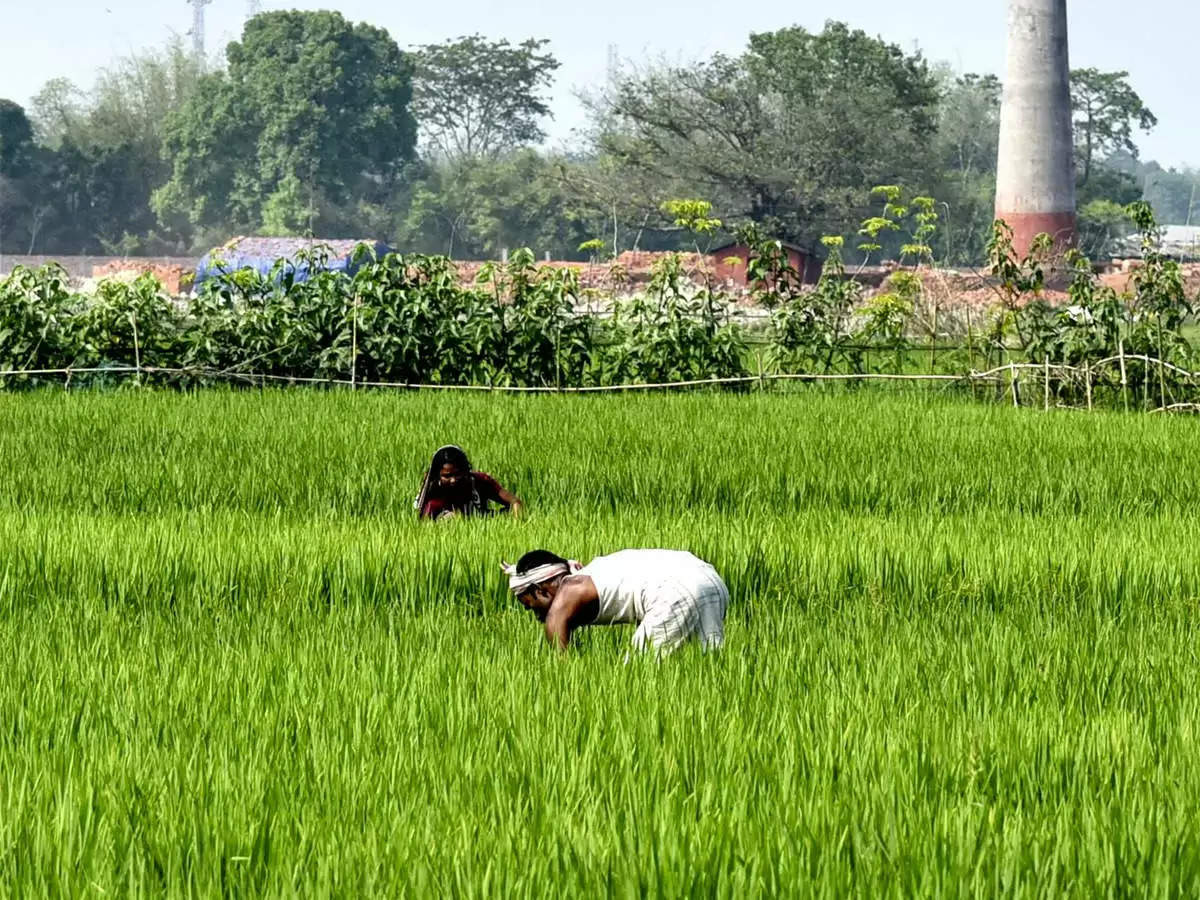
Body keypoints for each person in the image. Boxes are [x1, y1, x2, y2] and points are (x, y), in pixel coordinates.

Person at [503, 548, 728, 655]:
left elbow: (554, 622)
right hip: (710, 579)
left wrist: (565, 685)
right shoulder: (597, 573)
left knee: (637, 677)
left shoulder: (571, 588)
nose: (535, 615)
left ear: (540, 588)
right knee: (706, 663)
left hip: (674, 590)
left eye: (528, 605)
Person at [416, 445, 524, 521]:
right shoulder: (433, 498)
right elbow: (424, 526)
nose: (453, 480)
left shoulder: (480, 481)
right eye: (447, 476)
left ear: (465, 470)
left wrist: (517, 525)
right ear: (437, 475)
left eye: (457, 474)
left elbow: (515, 502)